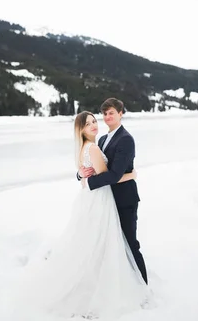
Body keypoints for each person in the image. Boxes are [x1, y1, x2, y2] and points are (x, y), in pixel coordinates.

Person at [16, 109, 149, 319]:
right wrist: (131, 174)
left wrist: (83, 176)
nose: (95, 125)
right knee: (103, 244)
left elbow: (89, 172)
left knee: (98, 244)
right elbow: (110, 177)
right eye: (88, 124)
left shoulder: (88, 146)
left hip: (95, 199)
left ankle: (106, 282)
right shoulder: (94, 147)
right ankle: (109, 288)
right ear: (81, 129)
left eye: (94, 121)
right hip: (100, 199)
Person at [79, 98, 148, 284]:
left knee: (130, 243)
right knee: (109, 244)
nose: (107, 117)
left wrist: (89, 183)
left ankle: (143, 285)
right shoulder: (101, 139)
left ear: (120, 114)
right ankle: (119, 283)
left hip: (124, 199)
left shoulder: (126, 139)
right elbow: (94, 166)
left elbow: (115, 175)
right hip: (105, 200)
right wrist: (81, 175)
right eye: (105, 113)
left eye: (112, 113)